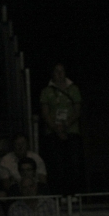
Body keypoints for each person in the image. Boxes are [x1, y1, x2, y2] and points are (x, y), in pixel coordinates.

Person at [40, 62, 84, 195]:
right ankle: (60, 195)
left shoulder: (73, 89)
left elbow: (77, 111)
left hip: (71, 132)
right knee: (57, 166)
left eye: (62, 71)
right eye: (56, 71)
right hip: (53, 133)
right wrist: (56, 128)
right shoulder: (46, 91)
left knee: (74, 164)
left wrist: (66, 125)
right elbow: (45, 113)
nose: (59, 73)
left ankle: (74, 194)